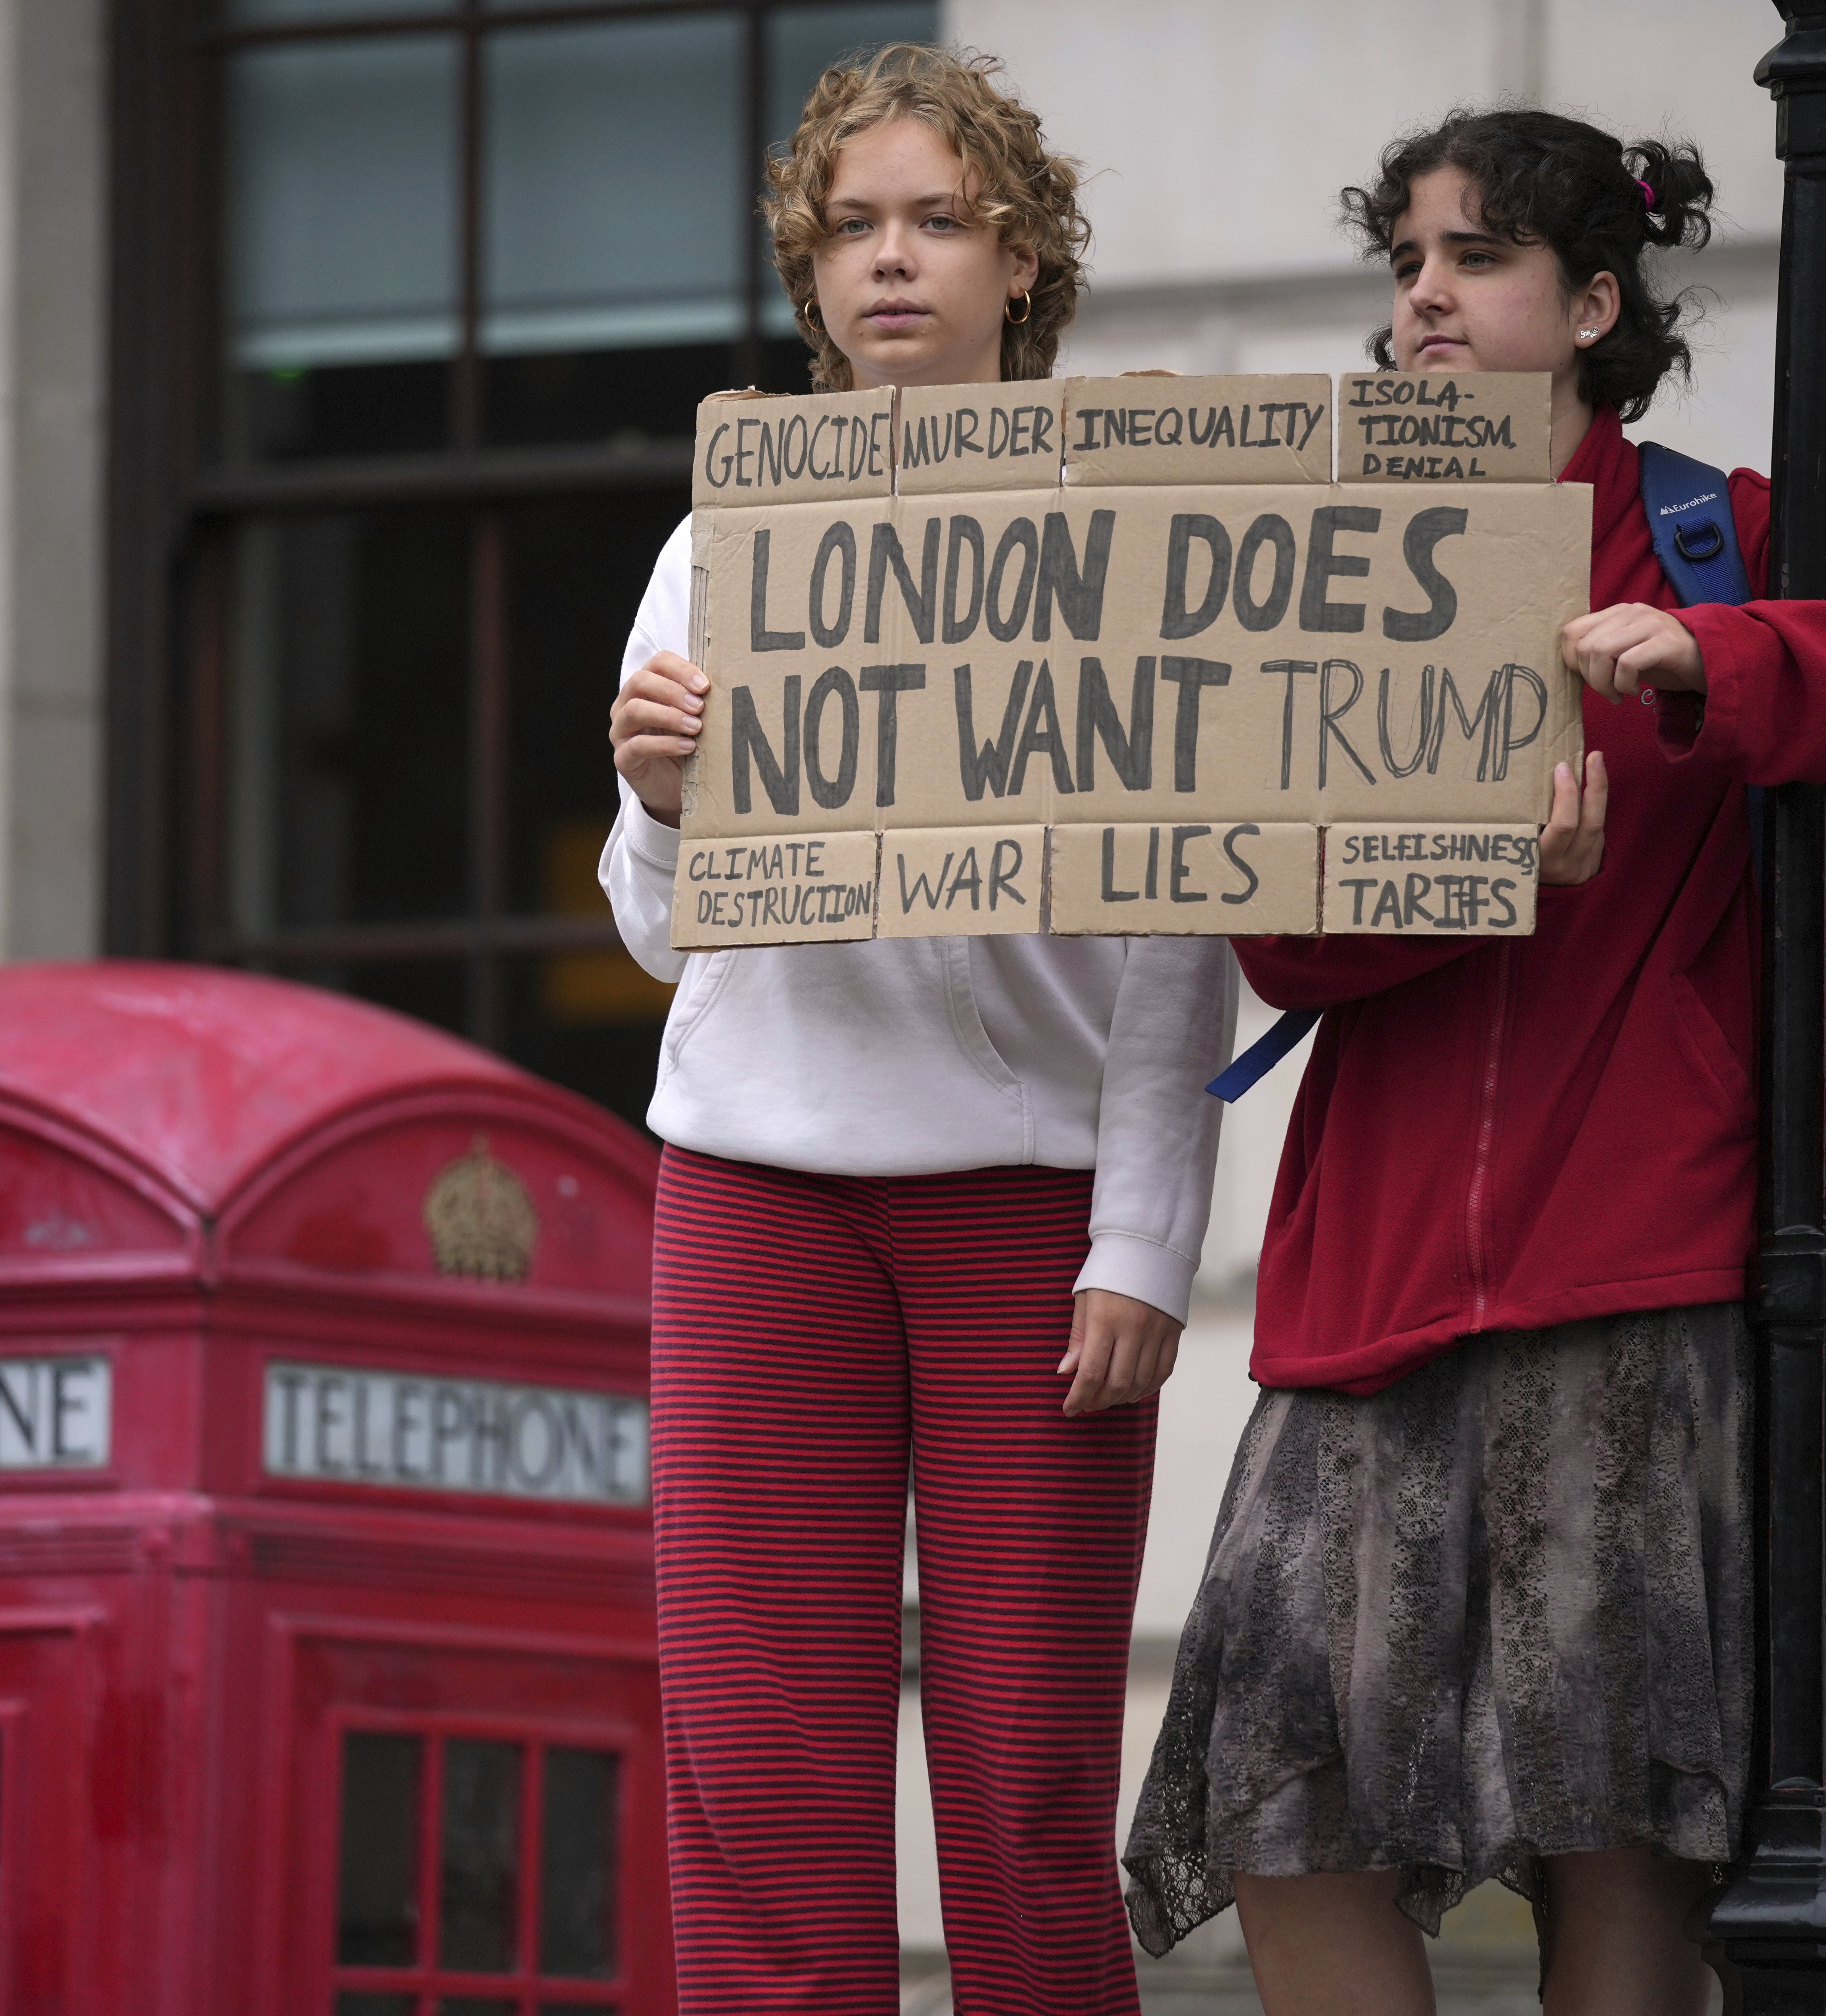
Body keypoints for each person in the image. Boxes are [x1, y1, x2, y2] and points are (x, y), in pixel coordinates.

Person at [1120, 108, 1826, 2016]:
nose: (1423, 299)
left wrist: (1719, 663)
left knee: (1611, 1838)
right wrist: (1474, 873)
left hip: (1626, 1277)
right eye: (1403, 263)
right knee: (1279, 1817)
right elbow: (1280, 937)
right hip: (1364, 1294)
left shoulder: (1717, 527)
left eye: (1470, 258)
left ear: (1591, 302)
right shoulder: (1339, 548)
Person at [598, 43, 1239, 2016]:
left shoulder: (1120, 530)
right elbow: (652, 937)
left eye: (939, 222)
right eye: (853, 226)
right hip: (751, 1190)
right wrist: (655, 804)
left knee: (1025, 1772)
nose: (894, 261)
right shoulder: (719, 541)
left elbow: (1174, 916)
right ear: (808, 277)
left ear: (1019, 261)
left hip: (1025, 1220)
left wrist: (1142, 1239)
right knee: (758, 1769)